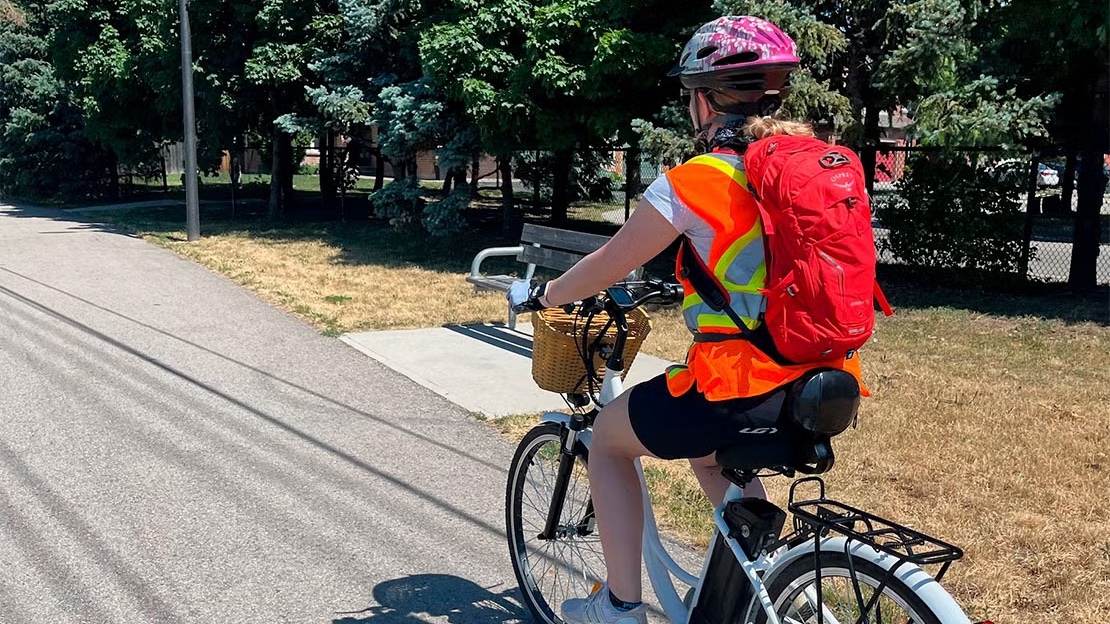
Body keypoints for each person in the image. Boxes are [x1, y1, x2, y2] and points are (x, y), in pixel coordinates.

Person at [508, 16, 867, 624]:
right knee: (710, 457)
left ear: (703, 100)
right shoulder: (816, 170)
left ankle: (619, 608)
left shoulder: (699, 179)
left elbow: (608, 263)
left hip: (739, 387)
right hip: (823, 382)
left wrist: (545, 296)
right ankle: (772, 588)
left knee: (608, 442)